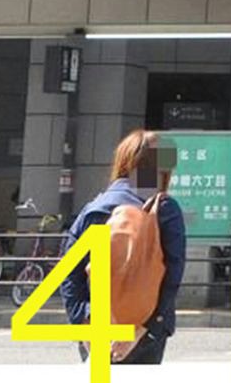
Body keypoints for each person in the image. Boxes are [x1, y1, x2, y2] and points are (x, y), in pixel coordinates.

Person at [61, 129, 186, 366]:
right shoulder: (163, 209)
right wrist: (141, 330)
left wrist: (84, 325)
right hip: (145, 328)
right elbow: (172, 276)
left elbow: (69, 273)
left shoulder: (94, 208)